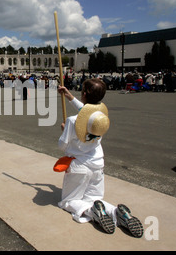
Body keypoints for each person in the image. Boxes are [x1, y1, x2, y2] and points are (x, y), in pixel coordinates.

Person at [57, 79, 143, 237]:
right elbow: (86, 111)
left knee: (68, 201)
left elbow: (62, 146)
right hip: (97, 164)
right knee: (94, 197)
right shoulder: (100, 117)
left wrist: (64, 131)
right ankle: (116, 212)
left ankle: (91, 211)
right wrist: (69, 96)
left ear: (84, 94)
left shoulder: (71, 121)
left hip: (79, 165)